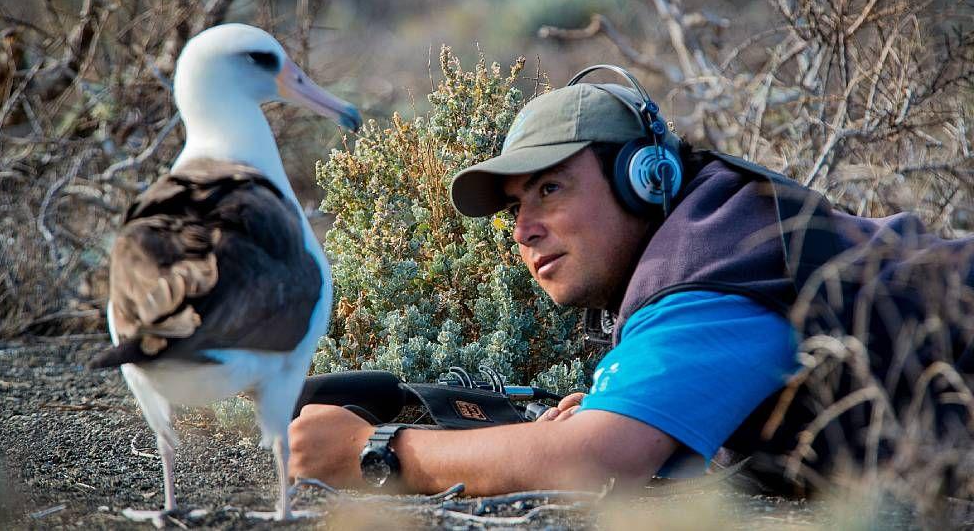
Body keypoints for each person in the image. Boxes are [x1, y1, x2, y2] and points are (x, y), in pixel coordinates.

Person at [288, 65, 974, 496]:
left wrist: (371, 451)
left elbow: (595, 459)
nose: (524, 228)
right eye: (515, 209)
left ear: (645, 178)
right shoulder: (719, 237)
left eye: (550, 188)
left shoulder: (707, 274)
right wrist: (637, 410)